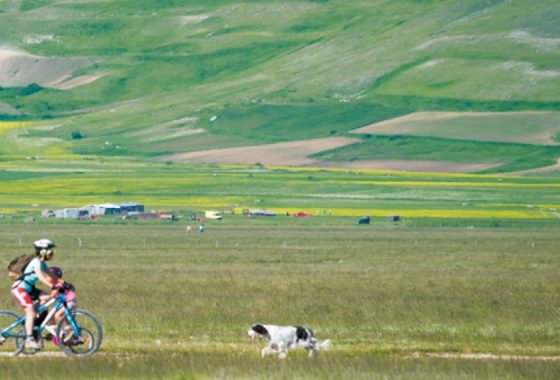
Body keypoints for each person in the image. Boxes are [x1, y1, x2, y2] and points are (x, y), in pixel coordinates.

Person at [10, 239, 56, 350]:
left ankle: (33, 322)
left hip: (30, 289)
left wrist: (64, 284)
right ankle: (29, 339)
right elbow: (41, 277)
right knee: (30, 309)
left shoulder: (43, 264)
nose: (51, 253)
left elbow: (53, 277)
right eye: (49, 251)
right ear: (42, 252)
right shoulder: (36, 263)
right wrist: (53, 286)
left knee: (47, 298)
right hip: (19, 289)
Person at [43, 266, 79, 345]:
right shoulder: (56, 284)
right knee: (50, 316)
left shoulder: (58, 285)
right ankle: (56, 332)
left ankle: (67, 331)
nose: (46, 277)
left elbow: (52, 295)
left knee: (58, 315)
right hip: (63, 303)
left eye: (48, 276)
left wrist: (43, 298)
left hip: (69, 302)